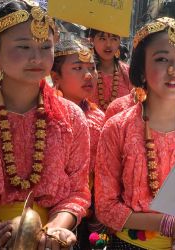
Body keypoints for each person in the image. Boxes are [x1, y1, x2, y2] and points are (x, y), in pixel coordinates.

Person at [0, 1, 91, 249]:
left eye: (45, 47)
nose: (36, 57)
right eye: (24, 46)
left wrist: (56, 228)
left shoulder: (71, 118)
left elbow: (78, 192)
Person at [95, 17, 175, 250]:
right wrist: (168, 225)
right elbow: (105, 208)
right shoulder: (118, 127)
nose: (174, 69)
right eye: (162, 58)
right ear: (141, 69)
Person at [51, 38, 105, 250]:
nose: (89, 75)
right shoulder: (46, 115)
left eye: (92, 67)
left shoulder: (99, 117)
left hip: (88, 209)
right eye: (78, 68)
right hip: (53, 211)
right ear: (56, 76)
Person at [87, 29, 132, 111]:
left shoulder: (128, 73)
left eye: (114, 39)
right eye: (102, 38)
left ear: (119, 42)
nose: (108, 44)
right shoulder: (84, 72)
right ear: (92, 40)